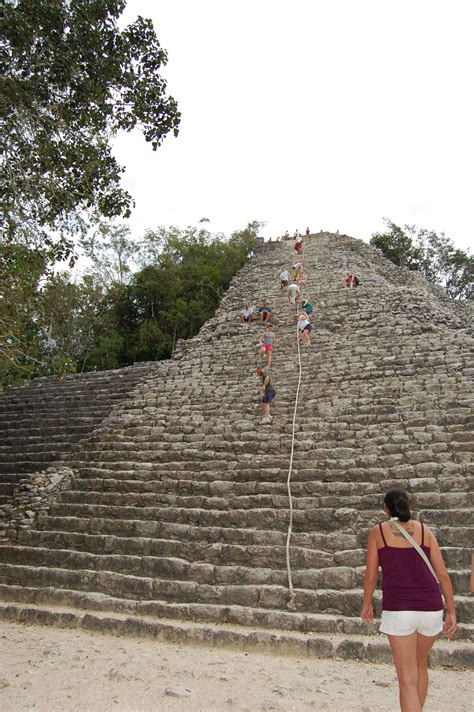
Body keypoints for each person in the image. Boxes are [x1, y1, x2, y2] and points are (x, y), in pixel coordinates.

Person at [361, 489, 457, 712]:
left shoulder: (379, 532)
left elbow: (371, 576)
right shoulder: (425, 531)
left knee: (406, 678)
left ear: (386, 508)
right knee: (419, 665)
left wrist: (367, 604)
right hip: (431, 607)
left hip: (399, 608)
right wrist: (451, 610)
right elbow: (442, 574)